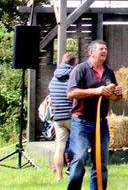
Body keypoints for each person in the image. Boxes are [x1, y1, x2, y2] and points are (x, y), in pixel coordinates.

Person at [66, 40, 123, 190]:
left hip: (101, 123)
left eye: (106, 49)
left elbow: (114, 97)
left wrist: (117, 94)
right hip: (81, 122)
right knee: (79, 159)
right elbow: (71, 93)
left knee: (101, 164)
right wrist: (96, 91)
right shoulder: (80, 69)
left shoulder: (109, 72)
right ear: (91, 52)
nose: (104, 51)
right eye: (101, 49)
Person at [49, 51, 77, 180]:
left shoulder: (54, 78)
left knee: (59, 148)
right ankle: (73, 171)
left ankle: (59, 177)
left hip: (58, 117)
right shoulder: (73, 75)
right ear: (74, 62)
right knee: (78, 145)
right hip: (71, 116)